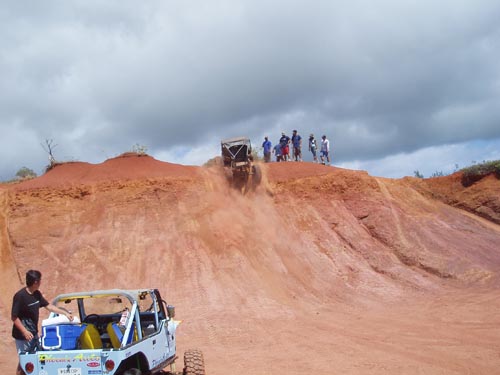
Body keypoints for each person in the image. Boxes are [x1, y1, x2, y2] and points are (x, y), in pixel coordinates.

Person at [12, 270, 74, 375]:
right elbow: (14, 317)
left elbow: (49, 306)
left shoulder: (36, 294)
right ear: (36, 282)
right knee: (24, 362)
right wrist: (24, 331)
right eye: (40, 280)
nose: (41, 282)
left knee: (33, 360)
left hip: (33, 333)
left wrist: (65, 313)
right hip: (22, 336)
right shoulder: (20, 296)